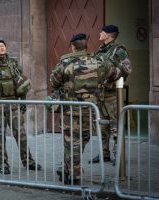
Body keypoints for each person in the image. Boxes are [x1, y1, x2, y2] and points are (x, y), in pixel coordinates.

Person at [50, 33, 123, 184]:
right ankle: (68, 169)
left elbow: (54, 81)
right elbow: (116, 73)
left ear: (73, 46)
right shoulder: (99, 62)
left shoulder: (66, 63)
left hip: (71, 111)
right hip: (91, 110)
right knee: (83, 140)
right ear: (85, 45)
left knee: (72, 142)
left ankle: (73, 175)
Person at [0, 38, 42, 175]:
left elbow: (21, 85)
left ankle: (28, 161)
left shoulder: (14, 64)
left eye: (3, 45)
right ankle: (2, 164)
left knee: (21, 134)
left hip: (13, 105)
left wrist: (22, 103)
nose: (1, 48)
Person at [91, 25, 132, 164]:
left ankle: (119, 155)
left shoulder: (118, 50)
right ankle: (104, 154)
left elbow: (127, 69)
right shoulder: (101, 50)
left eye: (102, 32)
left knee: (116, 126)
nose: (99, 33)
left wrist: (111, 74)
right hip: (100, 94)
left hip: (112, 94)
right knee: (102, 126)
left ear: (108, 35)